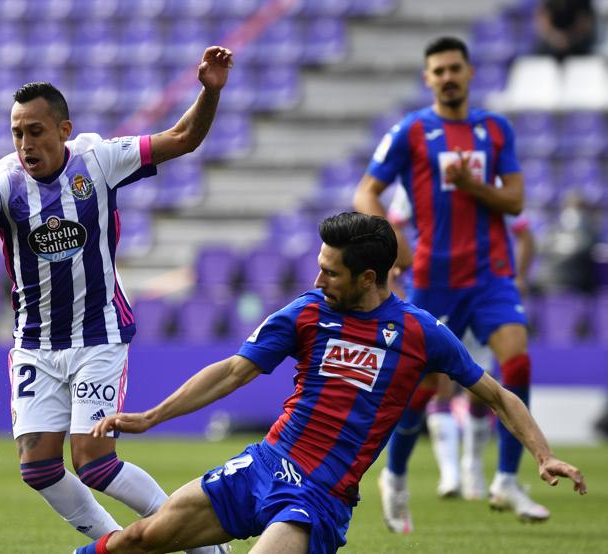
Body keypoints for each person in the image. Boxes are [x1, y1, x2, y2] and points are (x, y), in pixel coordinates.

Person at [72, 212, 586, 554]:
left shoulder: (419, 332)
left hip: (319, 497)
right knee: (136, 541)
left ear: (369, 277)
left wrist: (543, 456)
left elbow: (498, 395)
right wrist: (153, 415)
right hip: (265, 464)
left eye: (331, 273)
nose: (318, 281)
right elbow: (233, 371)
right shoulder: (307, 313)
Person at [0, 47, 233, 552]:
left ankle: (202, 544)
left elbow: (183, 138)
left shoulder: (98, 159)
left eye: (35, 130)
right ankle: (119, 544)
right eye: (17, 132)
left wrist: (209, 91)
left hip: (98, 334)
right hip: (35, 343)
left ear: (63, 130)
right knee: (38, 469)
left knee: (94, 462)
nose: (24, 143)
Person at [353, 36, 548, 531]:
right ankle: (394, 478)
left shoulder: (495, 129)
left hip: (491, 276)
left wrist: (472, 187)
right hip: (435, 282)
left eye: (454, 68)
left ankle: (506, 478)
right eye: (437, 70)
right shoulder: (412, 131)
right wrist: (391, 244)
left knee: (518, 360)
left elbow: (517, 202)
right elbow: (366, 191)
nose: (447, 77)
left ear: (469, 72)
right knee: (422, 388)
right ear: (427, 78)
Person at [386, 184, 537, 500]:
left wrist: (518, 278)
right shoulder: (420, 177)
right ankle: (449, 473)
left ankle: (473, 467)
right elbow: (393, 225)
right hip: (439, 289)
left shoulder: (491, 185)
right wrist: (401, 271)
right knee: (436, 379)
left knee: (480, 386)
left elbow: (524, 232)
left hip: (483, 292)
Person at [533, 0, 598, 61]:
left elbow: (585, 23)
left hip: (578, 44)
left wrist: (569, 38)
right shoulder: (548, 3)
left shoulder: (582, 2)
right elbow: (543, 20)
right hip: (551, 45)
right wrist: (555, 38)